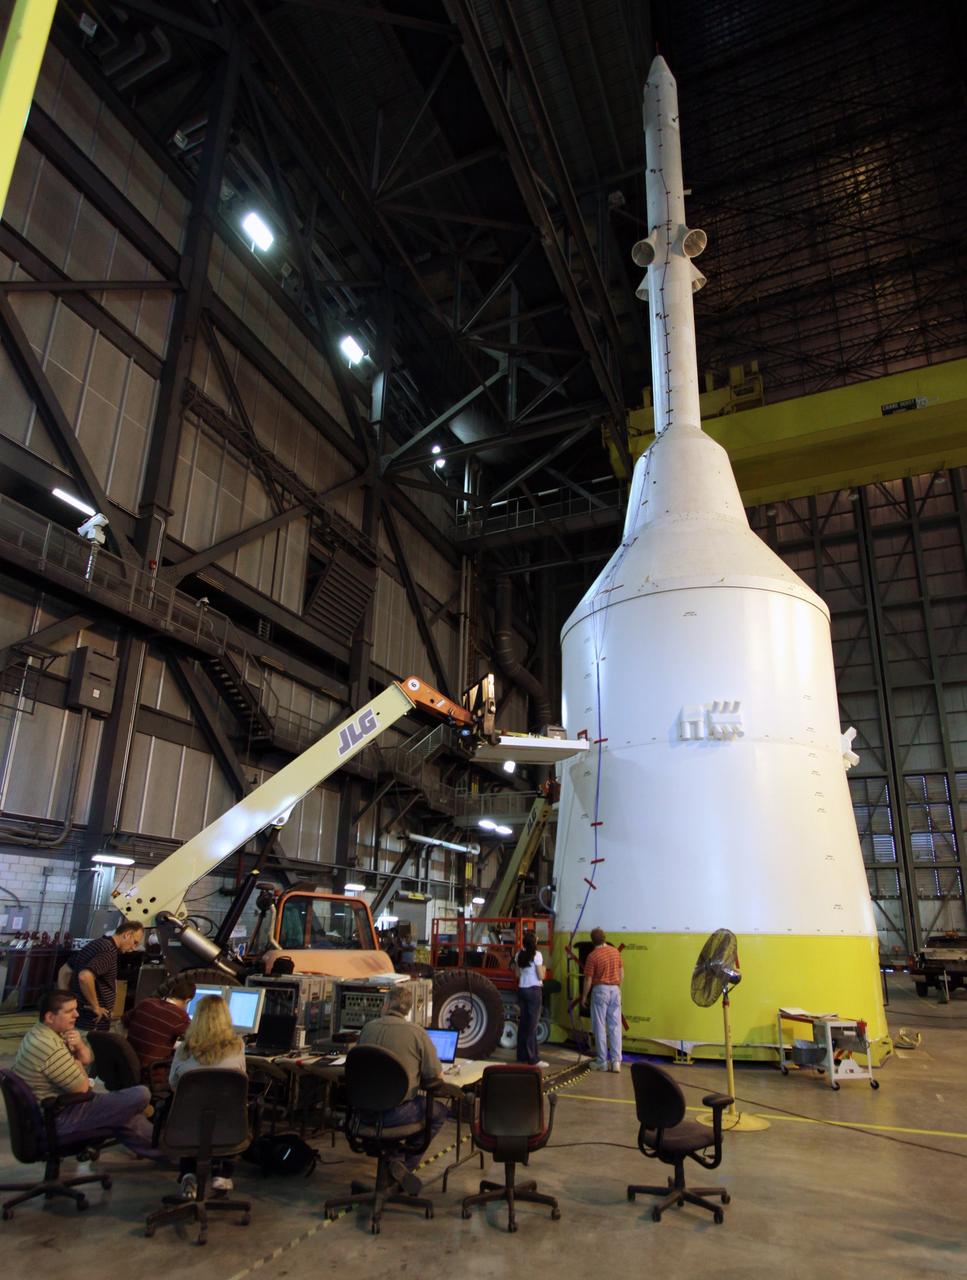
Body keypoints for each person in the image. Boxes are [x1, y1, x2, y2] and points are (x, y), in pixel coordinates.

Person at [12, 989, 156, 1156]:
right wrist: (76, 1061)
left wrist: (79, 1045)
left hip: (54, 1109)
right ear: (50, 1017)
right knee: (141, 1094)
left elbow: (87, 1059)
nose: (77, 1014)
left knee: (126, 1115)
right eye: (69, 1011)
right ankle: (175, 1155)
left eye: (76, 1009)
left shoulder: (41, 1033)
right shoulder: (50, 1048)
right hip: (61, 1116)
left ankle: (172, 1155)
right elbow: (83, 1088)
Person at [356, 983, 447, 1194]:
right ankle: (402, 1167)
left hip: (363, 1114)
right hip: (395, 1114)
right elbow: (436, 1077)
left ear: (386, 1003)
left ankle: (393, 1160)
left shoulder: (368, 1028)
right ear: (408, 1009)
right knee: (440, 1112)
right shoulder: (417, 1033)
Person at [168, 994, 246, 1198]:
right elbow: (241, 1084)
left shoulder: (183, 1049)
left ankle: (188, 1174)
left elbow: (173, 1084)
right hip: (228, 1128)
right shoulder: (238, 1048)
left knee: (189, 1110)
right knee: (229, 1108)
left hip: (185, 1128)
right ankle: (223, 1174)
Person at [63, 919, 145, 1032]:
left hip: (80, 1016)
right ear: (127, 935)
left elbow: (65, 971)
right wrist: (95, 1006)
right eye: (135, 942)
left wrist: (66, 1001)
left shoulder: (97, 943)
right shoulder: (109, 951)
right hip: (92, 1023)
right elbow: (85, 976)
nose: (134, 948)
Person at [122, 975, 196, 1076]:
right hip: (152, 1073)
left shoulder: (146, 1002)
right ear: (187, 1001)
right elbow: (197, 1040)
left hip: (127, 1066)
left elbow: (123, 1022)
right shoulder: (179, 1016)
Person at [582, 927, 624, 1072]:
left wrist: (584, 997)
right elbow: (621, 974)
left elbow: (588, 980)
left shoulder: (592, 956)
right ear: (605, 938)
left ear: (592, 940)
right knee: (615, 1026)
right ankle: (616, 1062)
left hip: (600, 990)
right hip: (615, 990)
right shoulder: (615, 952)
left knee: (599, 1026)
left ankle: (602, 1061)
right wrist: (617, 986)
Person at [514, 929, 549, 1069]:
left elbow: (517, 974)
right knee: (532, 1026)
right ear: (534, 942)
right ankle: (533, 1058)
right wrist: (545, 969)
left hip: (522, 989)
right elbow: (541, 976)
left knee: (523, 1023)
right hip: (534, 990)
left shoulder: (518, 954)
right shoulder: (537, 955)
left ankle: (521, 1056)